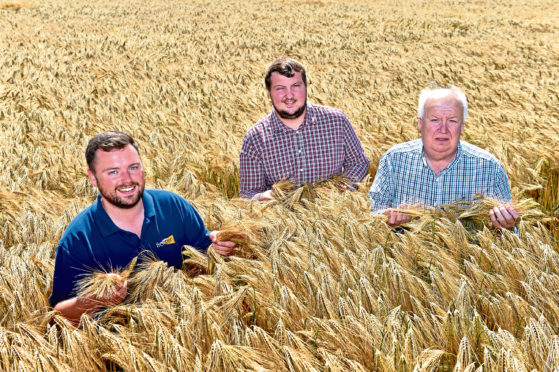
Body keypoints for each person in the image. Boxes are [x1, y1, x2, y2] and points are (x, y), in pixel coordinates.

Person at [49, 131, 236, 324]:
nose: (127, 179)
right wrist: (94, 299)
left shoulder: (174, 207)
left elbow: (204, 255)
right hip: (120, 346)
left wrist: (218, 249)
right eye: (113, 172)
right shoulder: (78, 238)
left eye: (133, 167)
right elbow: (59, 313)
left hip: (187, 329)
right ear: (93, 178)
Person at [369, 86, 519, 229]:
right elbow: (372, 217)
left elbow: (511, 237)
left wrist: (505, 227)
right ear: (420, 123)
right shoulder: (394, 160)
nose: (443, 129)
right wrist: (388, 221)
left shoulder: (489, 168)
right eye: (435, 120)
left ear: (462, 126)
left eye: (452, 121)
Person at [240, 57, 369, 200]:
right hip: (281, 219)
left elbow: (358, 162)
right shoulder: (255, 138)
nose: (289, 95)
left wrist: (344, 186)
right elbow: (248, 193)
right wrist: (261, 197)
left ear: (306, 86)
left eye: (295, 86)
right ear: (269, 91)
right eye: (280, 88)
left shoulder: (337, 121)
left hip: (333, 214)